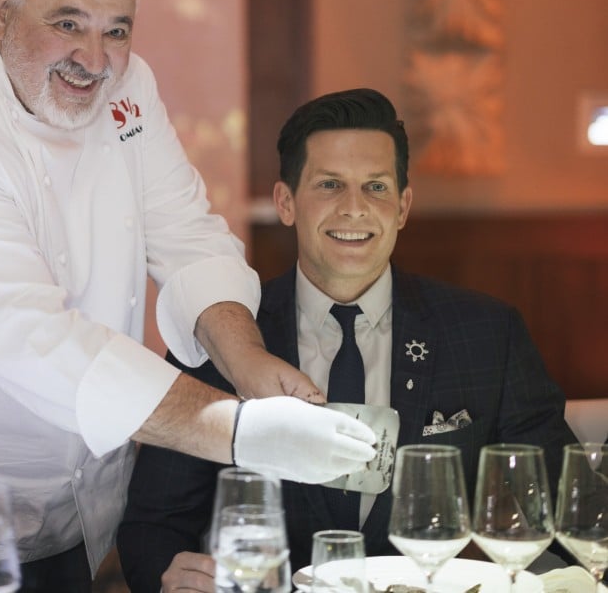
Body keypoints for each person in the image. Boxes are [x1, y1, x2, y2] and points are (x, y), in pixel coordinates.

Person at [0, 0, 377, 588]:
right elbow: (33, 336)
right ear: (1, 10)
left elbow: (186, 233)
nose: (94, 59)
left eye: (115, 29)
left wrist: (247, 362)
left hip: (81, 513)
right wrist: (239, 431)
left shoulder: (129, 88)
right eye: (67, 23)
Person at [117, 88, 578, 592]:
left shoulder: (488, 334)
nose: (355, 208)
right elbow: (153, 524)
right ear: (286, 203)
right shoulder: (222, 334)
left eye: (376, 187)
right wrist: (169, 575)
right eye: (331, 185)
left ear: (402, 206)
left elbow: (561, 511)